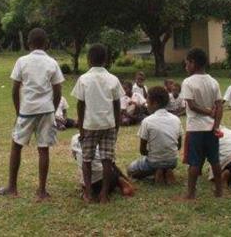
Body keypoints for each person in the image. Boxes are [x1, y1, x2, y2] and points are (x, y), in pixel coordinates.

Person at [0, 28, 64, 201]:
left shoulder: (22, 61)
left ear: (28, 43)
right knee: (43, 149)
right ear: (46, 43)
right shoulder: (52, 62)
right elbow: (58, 90)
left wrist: (18, 111)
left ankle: (12, 187)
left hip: (27, 110)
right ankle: (41, 191)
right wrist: (53, 107)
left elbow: (15, 89)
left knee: (16, 145)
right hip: (46, 110)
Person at [72, 43, 123, 203]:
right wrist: (117, 127)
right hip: (108, 125)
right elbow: (117, 106)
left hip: (90, 125)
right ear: (106, 59)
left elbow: (80, 105)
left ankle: (88, 193)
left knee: (87, 159)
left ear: (88, 59)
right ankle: (104, 194)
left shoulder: (84, 79)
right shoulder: (113, 79)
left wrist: (81, 129)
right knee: (107, 160)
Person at [178, 48, 224, 200]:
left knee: (194, 162)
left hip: (196, 128)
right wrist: (216, 124)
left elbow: (191, 105)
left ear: (193, 63)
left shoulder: (188, 82)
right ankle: (219, 191)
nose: (186, 67)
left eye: (187, 63)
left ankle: (191, 193)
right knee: (215, 160)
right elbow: (220, 106)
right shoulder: (213, 81)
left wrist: (207, 112)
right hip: (211, 128)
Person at [127, 86, 182, 184]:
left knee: (130, 169)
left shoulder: (147, 121)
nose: (146, 105)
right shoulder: (176, 119)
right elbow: (179, 146)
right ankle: (166, 170)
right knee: (162, 162)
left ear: (155, 103)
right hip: (172, 161)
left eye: (148, 102)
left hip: (154, 161)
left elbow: (143, 151)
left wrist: (156, 155)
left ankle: (157, 172)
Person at [70, 134, 134, 199]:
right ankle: (119, 180)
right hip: (110, 181)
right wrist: (124, 178)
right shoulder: (103, 138)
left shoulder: (75, 138)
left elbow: (76, 158)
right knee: (107, 164)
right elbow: (112, 163)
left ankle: (88, 192)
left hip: (92, 185)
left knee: (86, 165)